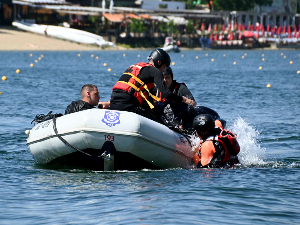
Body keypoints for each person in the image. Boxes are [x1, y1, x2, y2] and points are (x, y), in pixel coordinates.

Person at [109, 48, 195, 121]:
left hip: (113, 103)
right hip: (127, 106)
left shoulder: (137, 67)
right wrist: (184, 100)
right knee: (160, 119)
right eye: (164, 67)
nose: (163, 71)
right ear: (158, 62)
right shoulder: (155, 71)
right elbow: (166, 94)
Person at [155, 66, 195, 131]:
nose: (165, 80)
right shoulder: (156, 90)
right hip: (162, 122)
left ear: (172, 78)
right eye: (163, 78)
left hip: (179, 121)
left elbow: (192, 103)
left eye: (167, 77)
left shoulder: (181, 88)